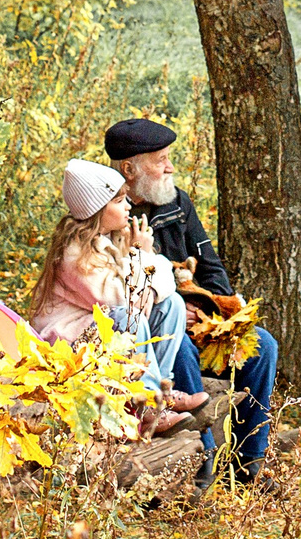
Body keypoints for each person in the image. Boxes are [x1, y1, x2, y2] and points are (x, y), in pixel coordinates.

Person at [104, 118, 284, 481]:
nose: (170, 167)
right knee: (182, 349)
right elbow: (114, 293)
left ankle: (248, 464)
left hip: (199, 321)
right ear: (129, 169)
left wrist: (206, 311)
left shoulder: (177, 203)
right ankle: (204, 465)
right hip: (149, 332)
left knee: (264, 346)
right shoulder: (107, 212)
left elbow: (212, 268)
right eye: (160, 160)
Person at [26, 157, 218, 438]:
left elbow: (163, 287)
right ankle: (146, 402)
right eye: (118, 201)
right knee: (129, 316)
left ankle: (159, 394)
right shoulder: (75, 254)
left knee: (172, 305)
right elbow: (123, 300)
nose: (128, 206)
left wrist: (145, 271)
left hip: (102, 332)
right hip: (70, 345)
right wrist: (142, 254)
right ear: (96, 210)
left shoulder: (109, 241)